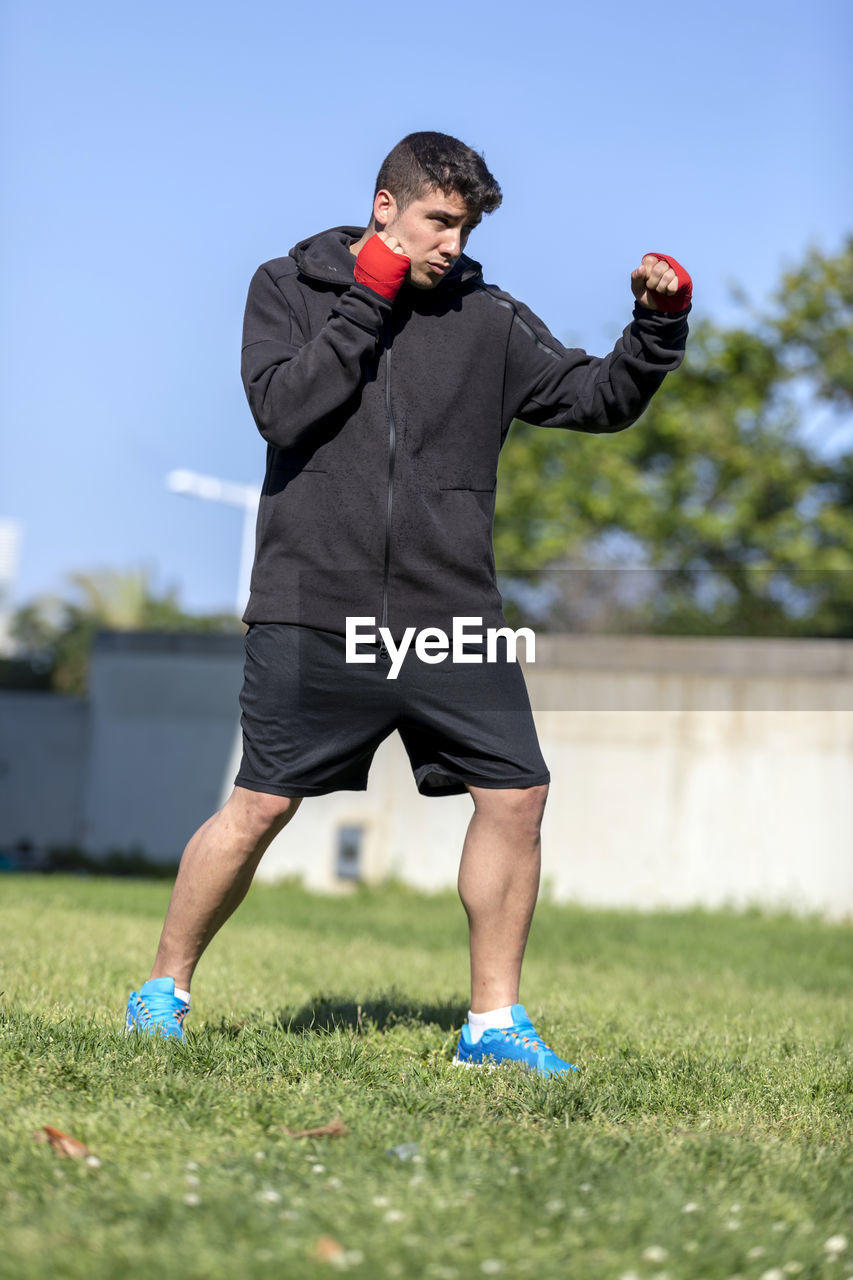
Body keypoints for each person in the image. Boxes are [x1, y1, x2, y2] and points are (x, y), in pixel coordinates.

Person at [126, 131, 691, 1074]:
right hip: (312, 605)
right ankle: (163, 989)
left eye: (462, 228)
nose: (453, 246)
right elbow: (283, 408)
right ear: (383, 207)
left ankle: (492, 1027)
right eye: (438, 221)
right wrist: (369, 297)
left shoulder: (488, 317)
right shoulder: (286, 287)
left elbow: (594, 399)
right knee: (261, 805)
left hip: (448, 612)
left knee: (517, 794)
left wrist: (654, 331)